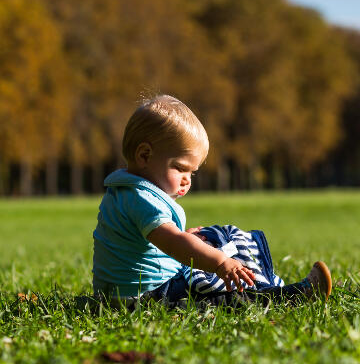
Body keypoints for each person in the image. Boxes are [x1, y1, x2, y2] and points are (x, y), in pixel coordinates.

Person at [92, 94, 332, 308]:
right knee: (218, 298)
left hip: (120, 293)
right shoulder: (142, 199)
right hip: (144, 296)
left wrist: (184, 234)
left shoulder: (123, 191)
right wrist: (220, 263)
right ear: (144, 155)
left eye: (192, 173)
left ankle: (269, 283)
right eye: (180, 169)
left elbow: (151, 241)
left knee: (214, 239)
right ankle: (289, 297)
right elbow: (174, 243)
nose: (187, 181)